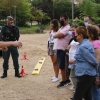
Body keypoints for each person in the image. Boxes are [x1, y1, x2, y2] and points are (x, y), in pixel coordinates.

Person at [70, 26, 98, 100]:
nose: (74, 36)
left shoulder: (83, 47)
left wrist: (97, 74)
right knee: (87, 96)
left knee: (77, 97)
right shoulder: (84, 44)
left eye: (76, 34)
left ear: (80, 35)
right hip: (86, 74)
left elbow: (94, 61)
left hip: (85, 74)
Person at [53, 14, 71, 88]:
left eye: (62, 19)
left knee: (62, 66)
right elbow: (57, 34)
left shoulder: (67, 28)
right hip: (59, 49)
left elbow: (59, 35)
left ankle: (64, 81)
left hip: (63, 49)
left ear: (66, 20)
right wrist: (56, 35)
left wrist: (56, 35)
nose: (61, 21)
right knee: (61, 65)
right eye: (60, 19)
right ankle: (66, 79)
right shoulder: (62, 27)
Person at [87, 25, 100, 100]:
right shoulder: (95, 42)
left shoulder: (95, 43)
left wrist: (96, 74)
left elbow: (97, 59)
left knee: (95, 90)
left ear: (90, 33)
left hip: (96, 69)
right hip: (95, 69)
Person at [67, 25, 79, 93]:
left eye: (73, 30)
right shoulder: (73, 38)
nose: (71, 32)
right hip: (72, 58)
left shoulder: (78, 39)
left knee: (73, 75)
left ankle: (77, 88)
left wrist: (74, 58)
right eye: (71, 30)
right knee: (73, 74)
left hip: (75, 59)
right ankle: (75, 86)